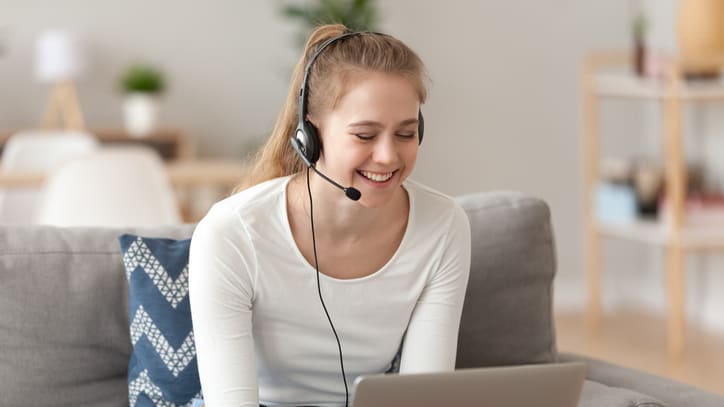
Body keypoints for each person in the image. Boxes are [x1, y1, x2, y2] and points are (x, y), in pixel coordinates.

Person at [189, 24, 471, 407]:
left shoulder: (443, 225)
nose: (388, 156)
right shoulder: (231, 233)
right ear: (310, 134)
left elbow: (422, 396)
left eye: (405, 134)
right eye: (365, 135)